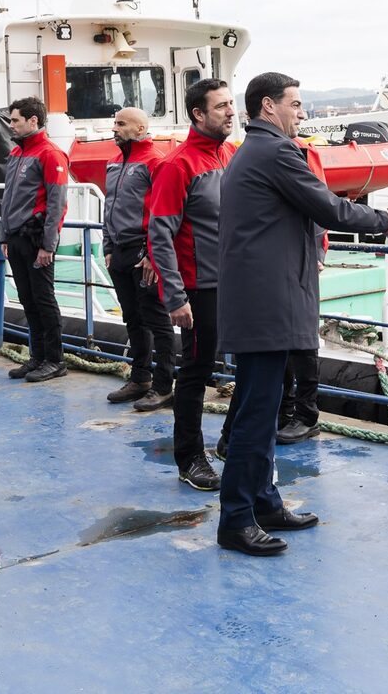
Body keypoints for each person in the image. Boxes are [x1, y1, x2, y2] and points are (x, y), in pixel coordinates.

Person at [215, 73, 388, 556]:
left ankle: (264, 502)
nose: (301, 112)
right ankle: (236, 519)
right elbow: (330, 210)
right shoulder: (275, 152)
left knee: (263, 407)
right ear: (268, 106)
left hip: (263, 301)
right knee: (256, 415)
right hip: (267, 305)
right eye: (295, 104)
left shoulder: (252, 151)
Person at [147, 78, 237, 492]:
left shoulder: (231, 156)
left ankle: (231, 440)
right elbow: (159, 234)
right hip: (200, 289)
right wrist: (175, 297)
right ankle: (190, 458)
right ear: (198, 114)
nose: (231, 112)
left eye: (232, 104)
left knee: (255, 362)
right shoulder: (177, 165)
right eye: (221, 106)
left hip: (237, 284)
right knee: (196, 372)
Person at [102, 107, 175, 408]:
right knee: (132, 317)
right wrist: (107, 247)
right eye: (115, 123)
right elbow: (108, 207)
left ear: (140, 128)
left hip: (143, 252)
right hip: (119, 251)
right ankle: (140, 378)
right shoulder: (113, 163)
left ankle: (164, 385)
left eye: (121, 124)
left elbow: (164, 211)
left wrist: (153, 255)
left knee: (157, 319)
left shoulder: (155, 161)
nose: (115, 128)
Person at [0, 97, 70, 381]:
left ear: (33, 120)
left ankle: (55, 360)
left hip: (36, 240)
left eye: (15, 120)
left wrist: (47, 245)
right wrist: (4, 235)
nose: (11, 125)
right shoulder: (17, 153)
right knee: (27, 298)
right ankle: (37, 356)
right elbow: (8, 199)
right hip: (16, 237)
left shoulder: (50, 154)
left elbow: (57, 203)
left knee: (43, 299)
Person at [277, 139, 330, 445]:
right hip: (275, 261)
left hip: (301, 261)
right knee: (279, 339)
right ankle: (284, 410)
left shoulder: (303, 152)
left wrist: (318, 253)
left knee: (303, 340)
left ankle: (306, 415)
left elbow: (321, 203)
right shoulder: (264, 149)